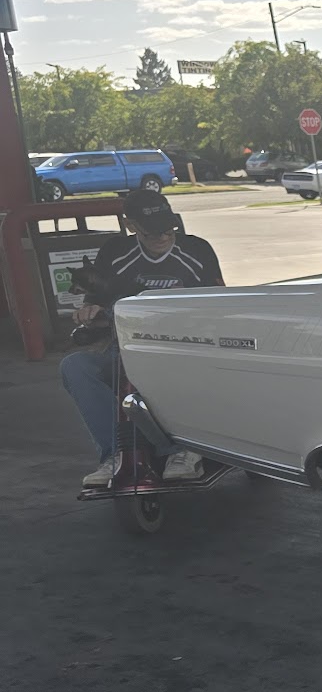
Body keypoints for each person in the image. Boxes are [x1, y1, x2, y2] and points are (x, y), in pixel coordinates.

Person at [62, 189, 224, 489]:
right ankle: (116, 453)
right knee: (76, 366)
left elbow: (220, 304)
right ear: (131, 226)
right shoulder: (114, 252)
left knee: (169, 367)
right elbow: (96, 302)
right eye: (152, 232)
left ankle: (183, 448)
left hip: (184, 348)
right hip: (128, 348)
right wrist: (90, 313)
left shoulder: (197, 250)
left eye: (168, 229)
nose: (162, 237)